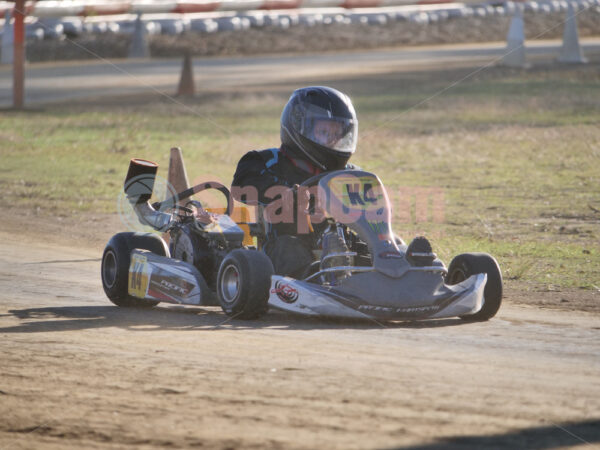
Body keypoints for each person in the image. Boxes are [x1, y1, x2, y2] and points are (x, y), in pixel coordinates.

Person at [231, 86, 359, 278]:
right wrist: (285, 194)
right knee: (290, 248)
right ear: (299, 127)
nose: (331, 139)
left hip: (337, 245)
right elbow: (242, 186)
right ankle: (316, 278)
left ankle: (404, 267)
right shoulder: (265, 161)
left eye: (336, 133)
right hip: (279, 250)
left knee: (368, 247)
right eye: (323, 131)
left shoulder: (349, 174)